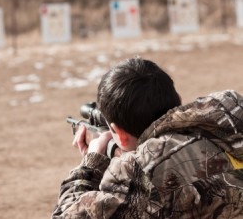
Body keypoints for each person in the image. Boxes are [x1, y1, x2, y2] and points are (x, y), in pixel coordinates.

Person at [52, 57, 243, 218]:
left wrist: (91, 164)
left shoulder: (141, 170)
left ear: (120, 135)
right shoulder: (230, 119)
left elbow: (66, 215)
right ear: (178, 99)